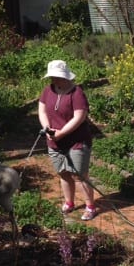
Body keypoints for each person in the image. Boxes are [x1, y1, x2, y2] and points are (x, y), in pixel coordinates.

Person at [38, 59, 96, 221]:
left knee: (80, 175)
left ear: (66, 77)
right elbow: (42, 111)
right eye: (52, 77)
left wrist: (61, 133)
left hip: (77, 141)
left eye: (57, 77)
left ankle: (90, 206)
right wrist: (48, 129)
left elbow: (79, 117)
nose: (54, 80)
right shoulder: (48, 90)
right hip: (54, 141)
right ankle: (69, 202)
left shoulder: (76, 93)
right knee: (63, 173)